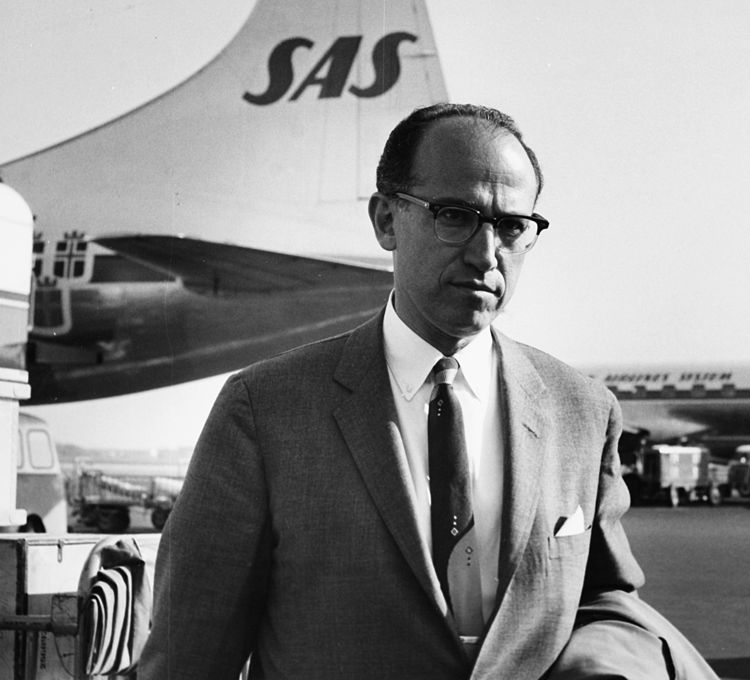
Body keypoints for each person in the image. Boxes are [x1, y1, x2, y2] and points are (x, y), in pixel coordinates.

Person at [139, 103, 718, 679]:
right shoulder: (266, 410)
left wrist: (606, 666)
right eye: (455, 216)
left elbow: (607, 600)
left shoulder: (582, 412)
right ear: (386, 220)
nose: (487, 254)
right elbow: (188, 656)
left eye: (512, 227)